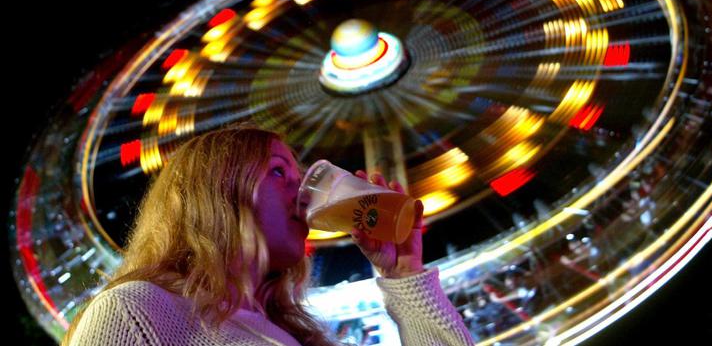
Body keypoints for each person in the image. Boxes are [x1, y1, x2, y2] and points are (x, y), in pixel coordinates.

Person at [62, 123, 476, 345]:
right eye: (279, 171)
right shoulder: (137, 312)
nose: (302, 194)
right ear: (217, 194)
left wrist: (403, 272)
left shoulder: (290, 332)